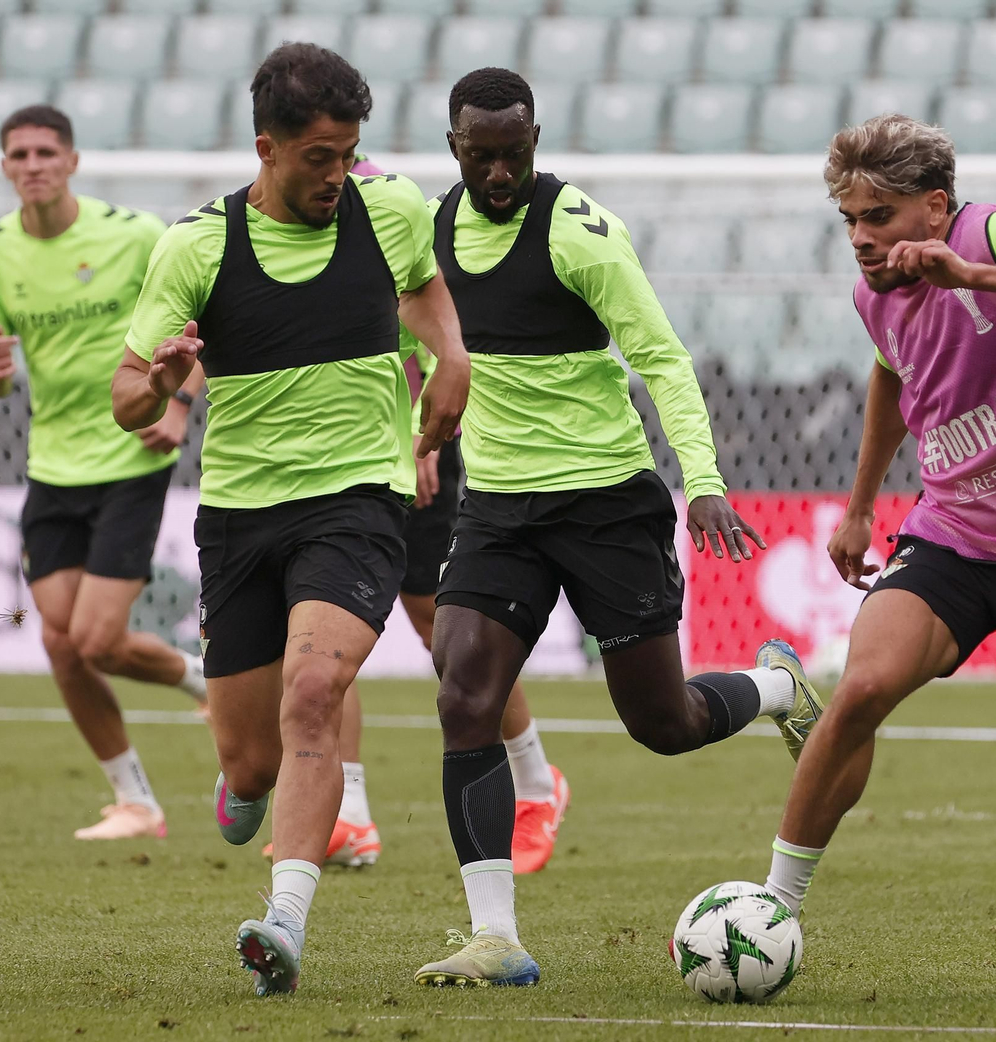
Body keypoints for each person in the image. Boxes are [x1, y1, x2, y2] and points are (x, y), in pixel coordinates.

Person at [410, 68, 821, 989]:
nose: (501, 172)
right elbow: (418, 340)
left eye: (516, 153)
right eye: (483, 156)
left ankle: (774, 683)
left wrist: (703, 481)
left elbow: (664, 359)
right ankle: (495, 938)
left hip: (605, 503)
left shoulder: (579, 233)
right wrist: (420, 430)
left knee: (663, 724)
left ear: (536, 140)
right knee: (461, 694)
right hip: (500, 510)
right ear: (455, 150)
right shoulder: (429, 234)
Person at [112, 44, 469, 997]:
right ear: (266, 148)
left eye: (349, 154)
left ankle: (286, 924)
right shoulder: (196, 244)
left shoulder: (388, 211)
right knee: (252, 758)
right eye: (318, 157)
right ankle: (245, 785)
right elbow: (125, 402)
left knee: (315, 691)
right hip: (237, 518)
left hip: (357, 501)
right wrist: (158, 386)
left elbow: (430, 295)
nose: (336, 175)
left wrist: (453, 363)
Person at [758, 114, 996, 1004]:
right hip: (952, 534)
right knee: (858, 690)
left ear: (935, 207)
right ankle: (771, 912)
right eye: (848, 219)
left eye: (879, 217)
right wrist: (860, 506)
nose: (860, 238)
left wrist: (975, 274)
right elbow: (894, 369)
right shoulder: (875, 292)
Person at [257, 160, 572, 878]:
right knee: (321, 635)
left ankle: (535, 780)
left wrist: (421, 432)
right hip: (339, 463)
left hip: (417, 448)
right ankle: (351, 817)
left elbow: (432, 330)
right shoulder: (288, 236)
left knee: (447, 632)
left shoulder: (395, 222)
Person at [0, 105, 207, 842]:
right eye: (18, 154)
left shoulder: (132, 235)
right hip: (53, 465)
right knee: (59, 643)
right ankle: (136, 799)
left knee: (98, 640)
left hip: (129, 455)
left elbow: (197, 321)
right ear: (5, 167)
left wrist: (178, 406)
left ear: (71, 161)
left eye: (45, 151)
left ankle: (208, 685)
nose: (32, 163)